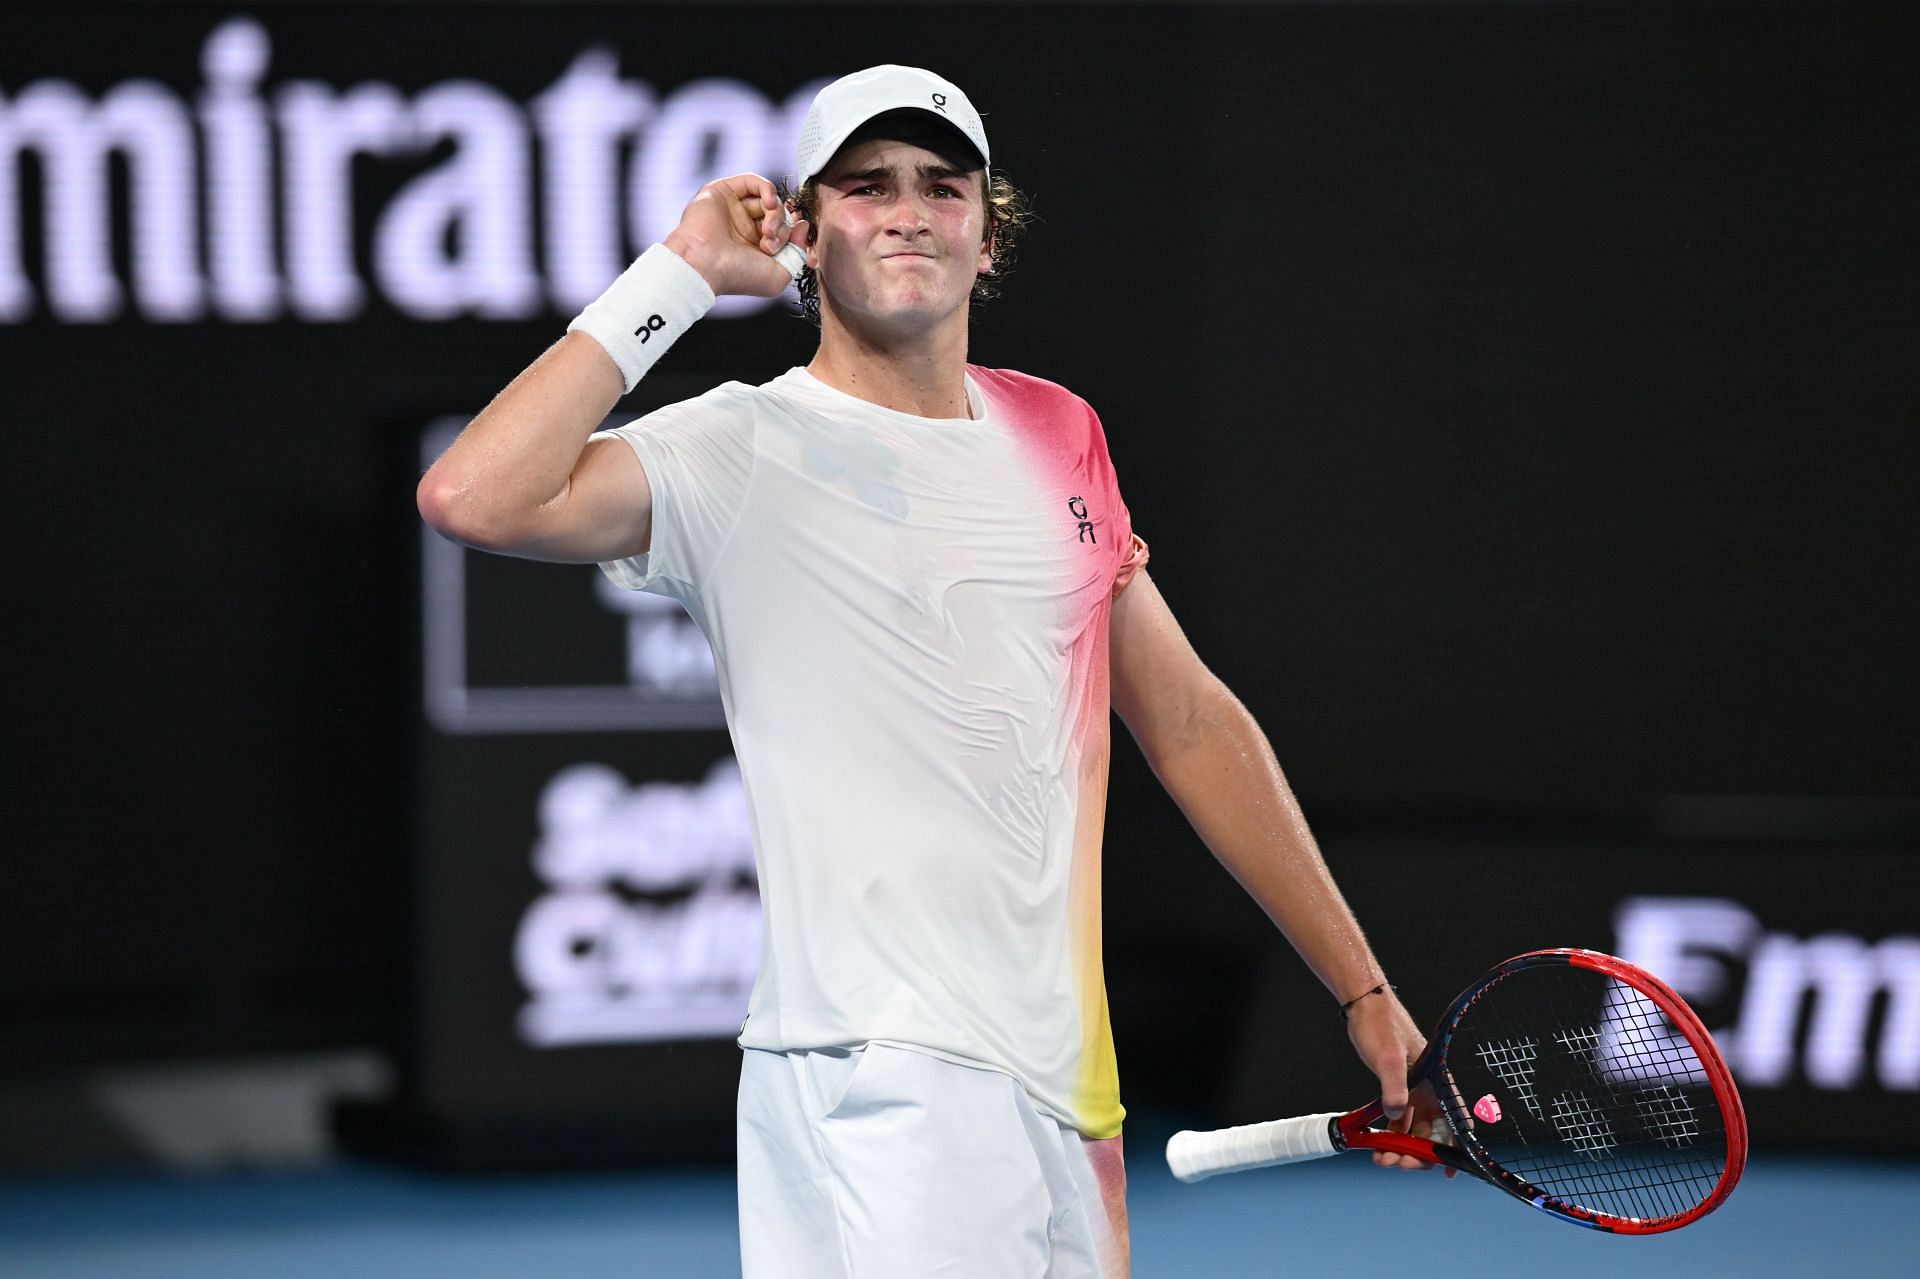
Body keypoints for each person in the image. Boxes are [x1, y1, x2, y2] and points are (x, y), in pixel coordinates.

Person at [419, 64, 1435, 1279]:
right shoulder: (743, 444)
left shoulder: (1060, 430)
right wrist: (679, 275)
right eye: (864, 186)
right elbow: (472, 495)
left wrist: (1364, 989)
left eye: (942, 186)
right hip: (879, 1075)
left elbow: (1191, 723)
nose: (907, 210)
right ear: (805, 227)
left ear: (986, 235)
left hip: (1068, 1086)